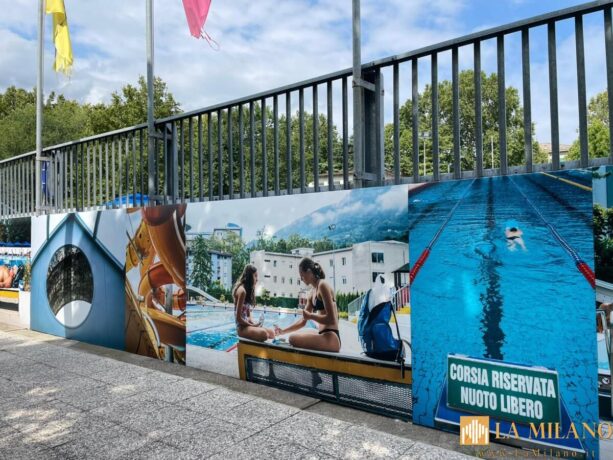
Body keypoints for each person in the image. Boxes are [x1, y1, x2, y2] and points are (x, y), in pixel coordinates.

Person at [274, 258, 341, 352]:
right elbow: (303, 321)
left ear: (309, 272)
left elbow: (331, 318)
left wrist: (311, 316)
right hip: (323, 334)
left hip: (332, 337)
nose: (301, 279)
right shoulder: (311, 293)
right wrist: (283, 331)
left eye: (302, 275)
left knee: (292, 339)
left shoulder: (323, 285)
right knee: (295, 335)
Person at [233, 264, 274, 342]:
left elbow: (248, 315)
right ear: (249, 277)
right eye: (255, 276)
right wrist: (253, 325)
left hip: (247, 326)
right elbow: (238, 318)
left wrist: (254, 323)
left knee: (272, 333)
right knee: (264, 334)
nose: (257, 279)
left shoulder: (247, 291)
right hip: (241, 328)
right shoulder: (242, 291)